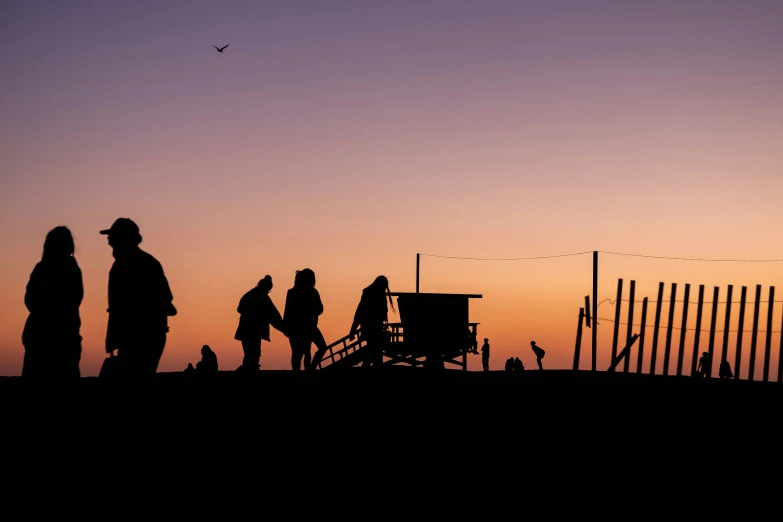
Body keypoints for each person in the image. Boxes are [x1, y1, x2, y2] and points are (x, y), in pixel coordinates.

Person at [101, 218, 176, 378]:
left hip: (140, 337)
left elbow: (161, 302)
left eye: (112, 237)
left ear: (124, 239)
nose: (109, 242)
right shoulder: (137, 263)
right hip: (141, 336)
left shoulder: (137, 264)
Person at [22, 226, 83, 379]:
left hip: (50, 338)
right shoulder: (65, 269)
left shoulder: (44, 268)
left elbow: (30, 300)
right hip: (58, 338)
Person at [234, 275, 285, 372]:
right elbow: (274, 316)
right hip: (253, 331)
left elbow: (239, 308)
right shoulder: (263, 298)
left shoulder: (249, 295)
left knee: (250, 355)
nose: (268, 292)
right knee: (253, 355)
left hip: (246, 330)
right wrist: (284, 328)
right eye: (268, 290)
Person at [283, 269, 324, 371]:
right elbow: (320, 309)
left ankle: (303, 371)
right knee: (308, 350)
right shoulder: (312, 292)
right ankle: (310, 369)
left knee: (298, 353)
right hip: (307, 326)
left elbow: (287, 311)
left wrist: (286, 326)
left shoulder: (292, 292)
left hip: (298, 327)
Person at [350, 276, 394, 367]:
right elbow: (360, 312)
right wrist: (353, 329)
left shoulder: (370, 294)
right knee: (375, 353)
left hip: (371, 328)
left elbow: (359, 313)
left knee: (374, 352)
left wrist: (353, 330)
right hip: (373, 329)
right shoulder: (373, 295)